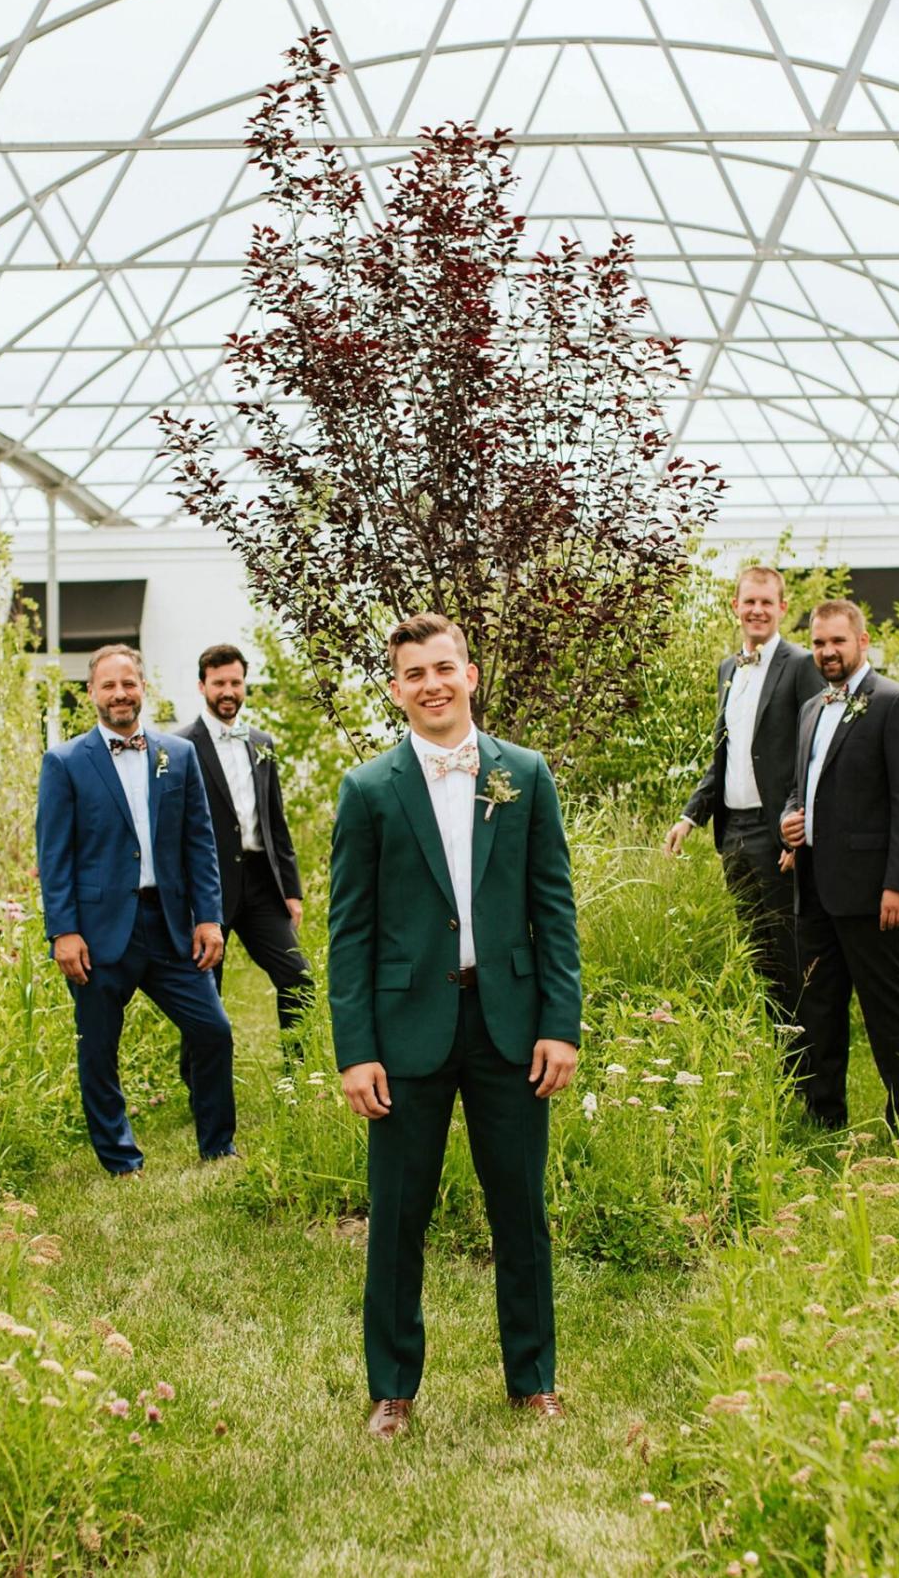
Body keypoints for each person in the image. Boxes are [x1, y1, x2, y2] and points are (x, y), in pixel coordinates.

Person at [328, 613, 581, 1440]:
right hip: (407, 1031)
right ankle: (392, 1387)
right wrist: (357, 1050)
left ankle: (533, 1377)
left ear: (470, 673)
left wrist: (560, 1023)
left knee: (520, 1207)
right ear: (396, 689)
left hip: (510, 1024)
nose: (432, 683)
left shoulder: (526, 774)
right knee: (399, 1212)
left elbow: (554, 908)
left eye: (445, 667)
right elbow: (351, 933)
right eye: (415, 673)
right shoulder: (368, 790)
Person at [35, 644, 234, 1175]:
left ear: (143, 687)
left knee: (213, 1031)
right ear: (91, 694)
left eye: (129, 683)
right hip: (99, 933)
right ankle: (120, 1158)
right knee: (98, 1047)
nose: (120, 694)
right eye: (108, 685)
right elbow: (53, 855)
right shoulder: (65, 762)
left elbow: (200, 843)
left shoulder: (178, 756)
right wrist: (63, 931)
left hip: (170, 926)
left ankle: (218, 1147)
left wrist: (209, 916)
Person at [780, 599, 899, 1131]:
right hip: (814, 884)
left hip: (873, 892)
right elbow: (800, 789)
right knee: (819, 1007)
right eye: (819, 643)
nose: (827, 652)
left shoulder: (895, 703)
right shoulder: (811, 708)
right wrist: (789, 822)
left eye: (837, 641)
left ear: (862, 642)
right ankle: (824, 1118)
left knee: (887, 1008)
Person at [664, 564, 823, 1027]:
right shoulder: (728, 669)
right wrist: (690, 816)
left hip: (778, 834)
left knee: (790, 953)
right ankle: (779, 1062)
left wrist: (800, 829)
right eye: (748, 601)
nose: (757, 610)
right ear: (735, 606)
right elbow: (724, 751)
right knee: (758, 954)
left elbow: (814, 753)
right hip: (731, 832)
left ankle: (809, 1070)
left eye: (766, 602)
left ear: (782, 609)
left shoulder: (800, 666)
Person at [176, 645, 310, 1086]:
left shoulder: (261, 744)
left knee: (297, 976)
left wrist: (291, 890)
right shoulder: (180, 747)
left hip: (260, 884)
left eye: (235, 682)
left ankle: (297, 1076)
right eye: (219, 683)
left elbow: (276, 821)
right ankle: (199, 1083)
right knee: (204, 990)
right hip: (207, 885)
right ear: (202, 687)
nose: (228, 691)